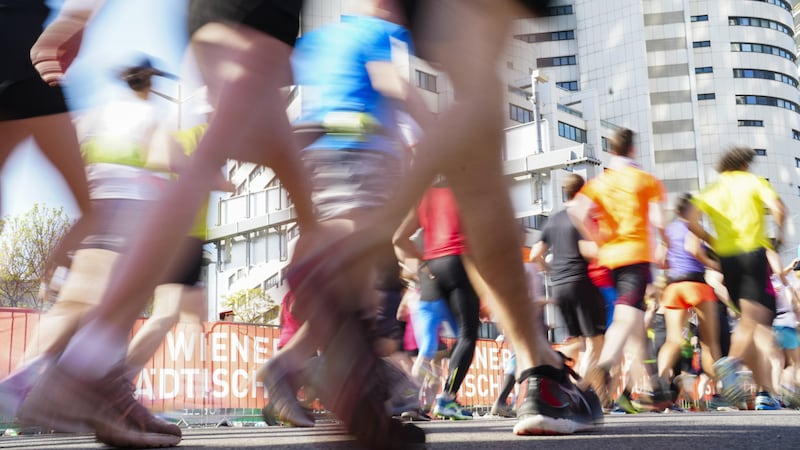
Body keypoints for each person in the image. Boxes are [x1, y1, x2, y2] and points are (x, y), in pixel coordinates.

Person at [288, 0, 603, 436]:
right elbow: (395, 82)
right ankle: (538, 369)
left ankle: (540, 368)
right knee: (479, 100)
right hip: (425, 231)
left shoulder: (333, 39)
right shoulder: (372, 40)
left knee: (478, 164)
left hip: (337, 154)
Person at [16, 0, 319, 447]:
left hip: (128, 209)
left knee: (299, 195)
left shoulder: (115, 115)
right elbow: (167, 161)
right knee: (144, 312)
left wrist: (82, 13)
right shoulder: (156, 120)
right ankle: (79, 372)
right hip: (139, 214)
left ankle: (97, 377)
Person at [568, 128, 672, 410]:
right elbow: (660, 220)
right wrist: (666, 243)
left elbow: (577, 211)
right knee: (627, 317)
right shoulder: (646, 180)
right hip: (637, 254)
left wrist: (596, 237)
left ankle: (651, 391)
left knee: (635, 324)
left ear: (611, 151)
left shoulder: (601, 182)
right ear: (632, 150)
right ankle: (602, 367)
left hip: (610, 257)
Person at [687, 146, 786, 411]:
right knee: (758, 321)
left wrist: (713, 241)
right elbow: (778, 208)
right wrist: (781, 234)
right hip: (752, 253)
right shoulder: (751, 181)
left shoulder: (712, 188)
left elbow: (692, 221)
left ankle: (764, 393)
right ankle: (731, 363)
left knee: (749, 322)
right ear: (744, 164)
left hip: (727, 261)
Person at [394, 180, 480, 420]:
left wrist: (421, 264)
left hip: (431, 270)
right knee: (466, 335)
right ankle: (447, 398)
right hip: (458, 261)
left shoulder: (424, 196)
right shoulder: (466, 189)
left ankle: (411, 398)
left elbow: (398, 239)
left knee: (435, 347)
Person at [529, 173, 606, 378]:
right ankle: (577, 392)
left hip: (559, 286)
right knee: (596, 342)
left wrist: (550, 270)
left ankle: (555, 371)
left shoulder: (554, 219)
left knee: (579, 343)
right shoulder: (582, 218)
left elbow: (535, 254)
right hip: (582, 282)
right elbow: (591, 251)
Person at [656, 193, 723, 393]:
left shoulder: (669, 230)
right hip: (696, 284)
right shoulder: (693, 227)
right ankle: (715, 390)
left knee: (673, 340)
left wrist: (676, 262)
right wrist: (715, 265)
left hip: (674, 286)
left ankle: (659, 384)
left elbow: (661, 261)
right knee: (709, 342)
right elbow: (693, 249)